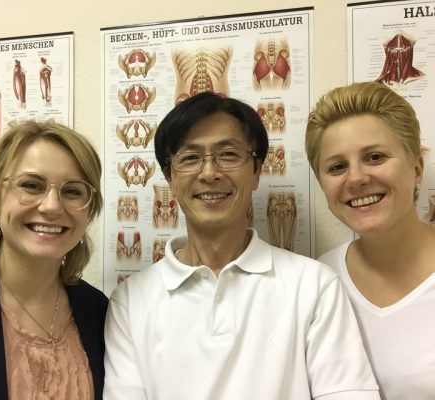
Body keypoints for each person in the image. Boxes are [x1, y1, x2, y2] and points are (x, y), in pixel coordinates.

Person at [104, 92, 380, 399]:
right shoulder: (130, 301)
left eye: (229, 154)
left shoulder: (314, 285)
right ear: (169, 177)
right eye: (190, 158)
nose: (210, 173)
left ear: (257, 171)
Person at [0, 120, 108, 400]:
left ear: (89, 211)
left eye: (72, 191)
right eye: (32, 185)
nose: (52, 206)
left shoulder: (98, 311)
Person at [305, 81, 435, 400]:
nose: (356, 178)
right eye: (337, 167)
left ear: (417, 168)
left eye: (375, 157)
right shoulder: (319, 280)